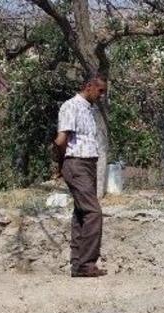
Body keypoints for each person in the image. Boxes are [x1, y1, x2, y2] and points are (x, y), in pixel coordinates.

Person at [53, 74, 108, 278]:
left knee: (82, 213)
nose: (101, 95)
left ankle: (78, 263)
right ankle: (87, 264)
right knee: (94, 213)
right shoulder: (71, 106)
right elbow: (61, 141)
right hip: (76, 162)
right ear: (88, 86)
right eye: (99, 90)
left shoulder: (89, 108)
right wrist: (61, 165)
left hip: (88, 163)